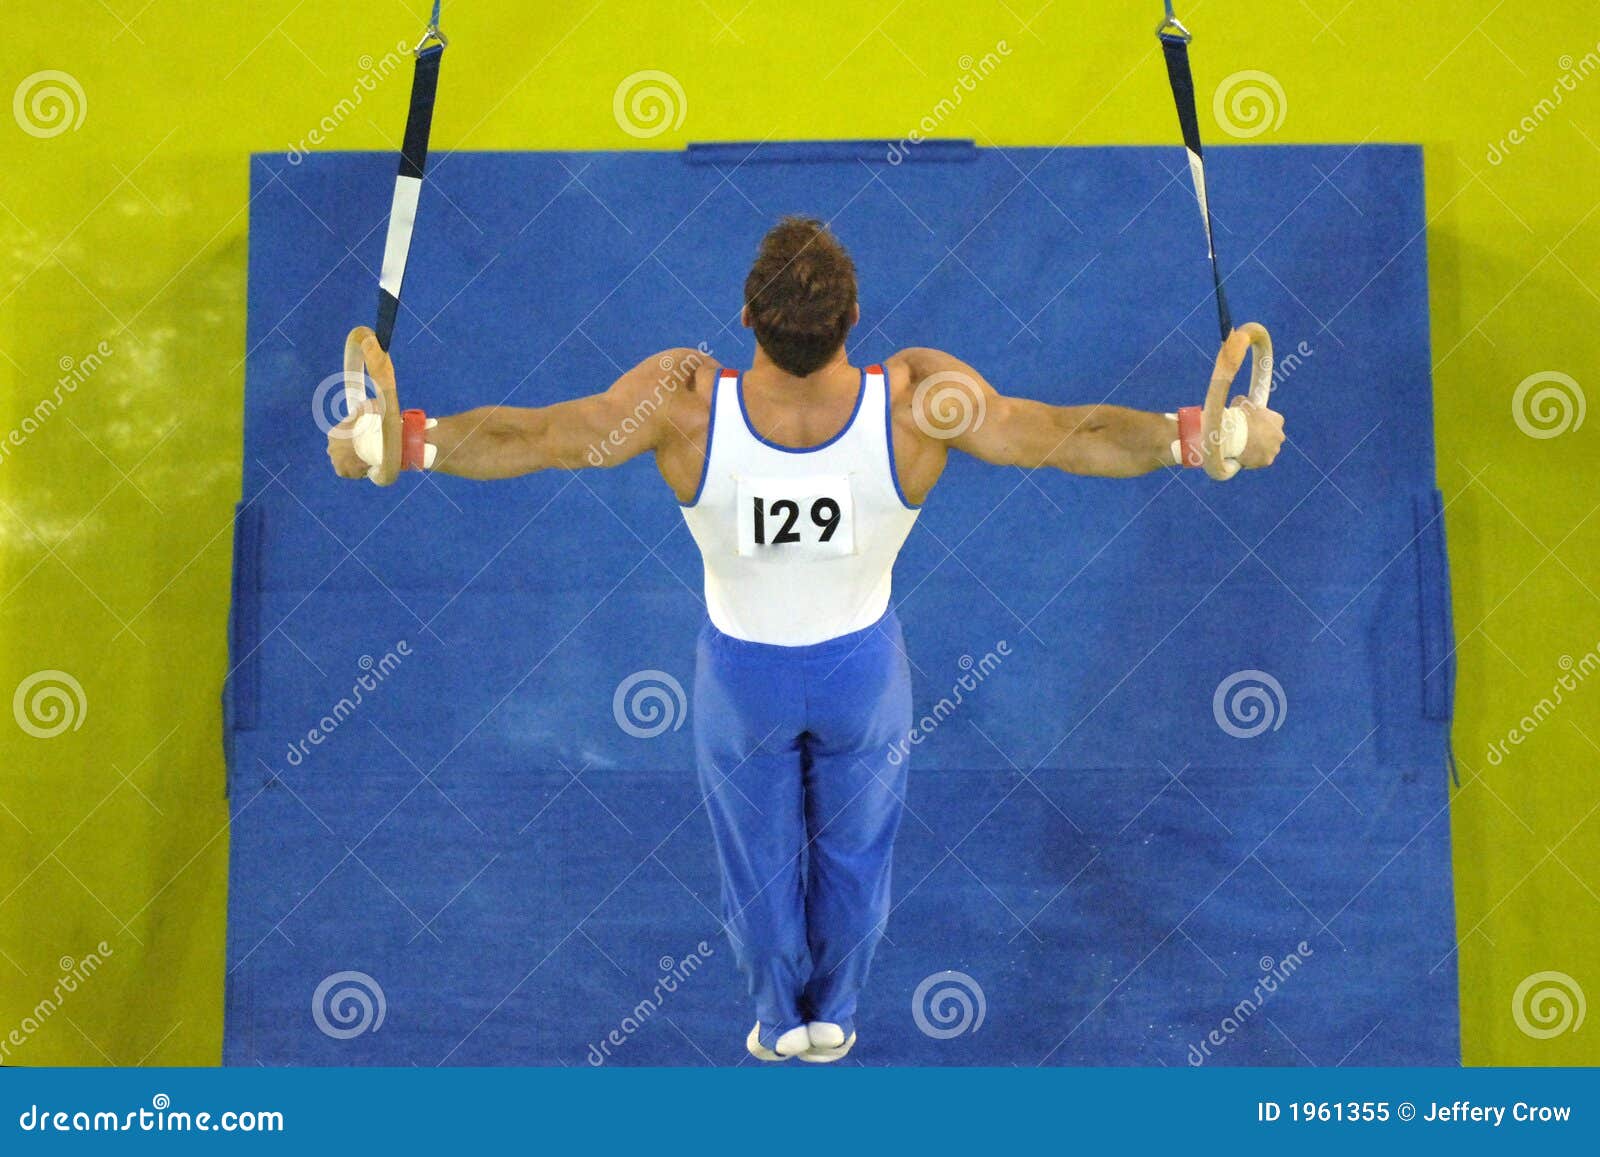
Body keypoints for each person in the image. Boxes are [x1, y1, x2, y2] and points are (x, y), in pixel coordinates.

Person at [327, 216, 1285, 1063]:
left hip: (741, 678)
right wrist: (1198, 435)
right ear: (854, 317)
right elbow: (1069, 434)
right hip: (861, 673)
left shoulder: (681, 400)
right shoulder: (920, 400)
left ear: (744, 319)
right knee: (857, 847)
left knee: (756, 851)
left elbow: (533, 437)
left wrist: (404, 440)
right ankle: (838, 1009)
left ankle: (776, 1014)